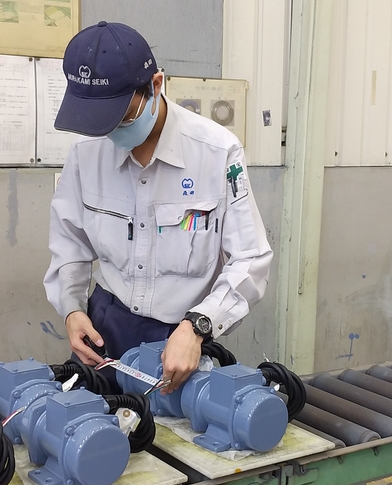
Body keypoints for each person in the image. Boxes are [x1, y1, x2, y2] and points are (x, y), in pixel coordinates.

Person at [44, 21, 273, 395]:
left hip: (180, 336)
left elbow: (251, 258)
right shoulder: (86, 154)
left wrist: (199, 325)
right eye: (101, 122)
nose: (112, 131)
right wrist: (72, 310)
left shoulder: (217, 152)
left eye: (121, 115)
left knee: (170, 430)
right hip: (104, 327)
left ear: (155, 85)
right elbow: (70, 244)